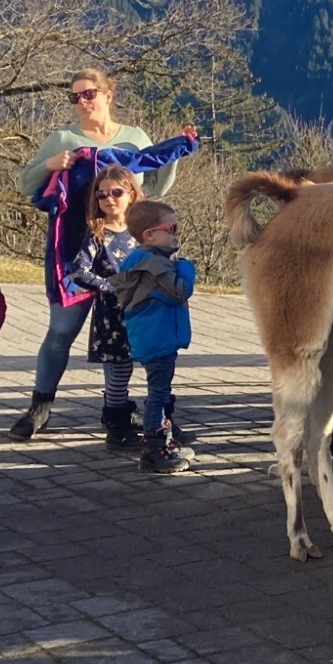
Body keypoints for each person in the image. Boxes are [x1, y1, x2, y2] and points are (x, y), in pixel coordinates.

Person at [9, 68, 195, 442]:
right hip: (75, 248)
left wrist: (171, 152)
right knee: (61, 331)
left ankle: (146, 413)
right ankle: (40, 407)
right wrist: (50, 165)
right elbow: (24, 184)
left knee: (136, 334)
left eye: (89, 94)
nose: (82, 102)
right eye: (75, 96)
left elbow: (156, 184)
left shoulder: (134, 139)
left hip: (130, 248)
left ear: (109, 95)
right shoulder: (63, 139)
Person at [60, 165, 150, 452]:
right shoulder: (97, 235)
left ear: (132, 194)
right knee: (119, 370)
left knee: (147, 366)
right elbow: (78, 272)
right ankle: (116, 426)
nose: (109, 199)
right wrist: (111, 286)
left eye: (116, 192)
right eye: (102, 195)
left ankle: (134, 413)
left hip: (141, 313)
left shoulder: (142, 233)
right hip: (112, 317)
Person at [113, 201, 196, 475]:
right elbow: (179, 291)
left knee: (160, 392)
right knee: (158, 394)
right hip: (157, 340)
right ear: (149, 234)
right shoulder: (152, 264)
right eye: (171, 228)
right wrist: (186, 268)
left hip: (156, 338)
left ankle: (163, 444)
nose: (176, 234)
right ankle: (154, 451)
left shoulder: (143, 261)